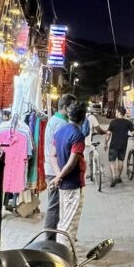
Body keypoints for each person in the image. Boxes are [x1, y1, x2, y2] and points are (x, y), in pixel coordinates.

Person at [49, 101, 88, 248]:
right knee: (69, 226)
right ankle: (64, 257)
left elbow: (52, 155)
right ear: (83, 119)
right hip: (73, 184)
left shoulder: (59, 132)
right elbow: (72, 163)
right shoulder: (78, 136)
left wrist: (58, 175)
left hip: (63, 184)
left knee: (63, 221)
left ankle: (62, 253)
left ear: (69, 115)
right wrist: (59, 177)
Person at [43, 94, 75, 237]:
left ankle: (54, 237)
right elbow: (60, 150)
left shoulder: (53, 120)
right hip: (55, 171)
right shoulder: (61, 124)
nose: (73, 109)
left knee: (56, 205)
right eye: (72, 106)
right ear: (64, 107)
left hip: (52, 168)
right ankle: (49, 240)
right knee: (54, 207)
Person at [105, 105, 133, 188]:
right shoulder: (128, 122)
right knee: (121, 161)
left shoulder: (113, 122)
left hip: (113, 145)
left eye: (116, 112)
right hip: (123, 145)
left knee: (112, 161)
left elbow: (108, 134)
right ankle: (118, 177)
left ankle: (114, 176)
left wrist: (106, 143)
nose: (115, 113)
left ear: (119, 112)